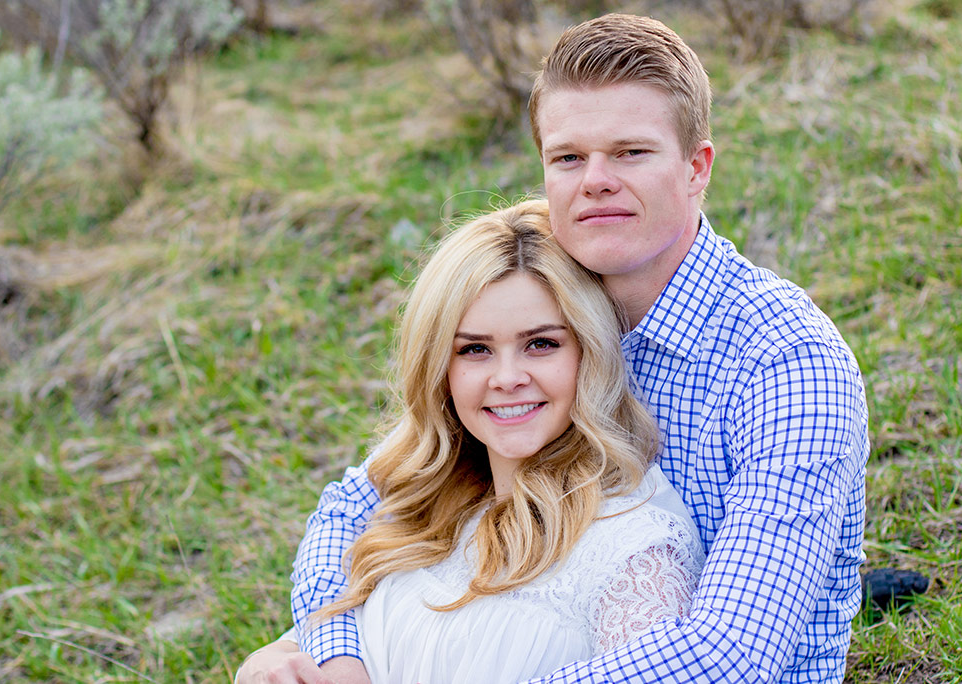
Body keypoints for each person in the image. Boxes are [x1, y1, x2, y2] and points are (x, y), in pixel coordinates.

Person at [240, 12, 869, 683]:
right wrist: (338, 653)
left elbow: (730, 654)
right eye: (568, 158)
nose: (595, 180)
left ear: (697, 168)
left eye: (631, 152)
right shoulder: (541, 295)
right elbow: (353, 509)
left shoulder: (786, 362)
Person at [236, 199, 706, 683]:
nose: (507, 378)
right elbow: (316, 632)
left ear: (590, 353)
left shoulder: (632, 547)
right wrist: (268, 665)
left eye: (541, 343)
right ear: (441, 369)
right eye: (475, 349)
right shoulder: (418, 505)